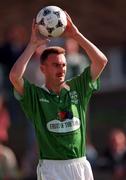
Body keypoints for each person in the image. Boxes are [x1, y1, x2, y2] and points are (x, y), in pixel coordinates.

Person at [9, 11, 108, 180]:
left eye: (63, 65)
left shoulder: (78, 86)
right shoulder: (35, 94)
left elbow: (101, 61)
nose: (61, 69)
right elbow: (14, 77)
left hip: (80, 165)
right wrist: (32, 45)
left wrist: (76, 36)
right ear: (43, 69)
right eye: (55, 65)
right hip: (52, 168)